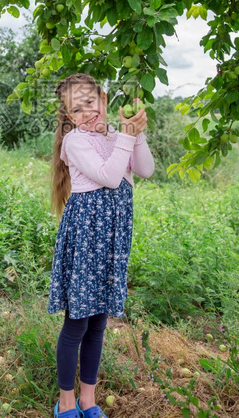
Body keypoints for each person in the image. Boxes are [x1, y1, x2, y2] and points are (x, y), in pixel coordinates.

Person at [48, 73, 155, 418]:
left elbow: (146, 169)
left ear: (104, 99)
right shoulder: (75, 142)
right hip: (86, 237)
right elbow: (109, 177)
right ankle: (65, 402)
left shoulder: (115, 135)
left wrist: (134, 134)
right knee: (77, 320)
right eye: (76, 110)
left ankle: (88, 400)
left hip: (112, 236)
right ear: (68, 118)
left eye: (90, 103)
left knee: (98, 321)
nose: (86, 113)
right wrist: (126, 135)